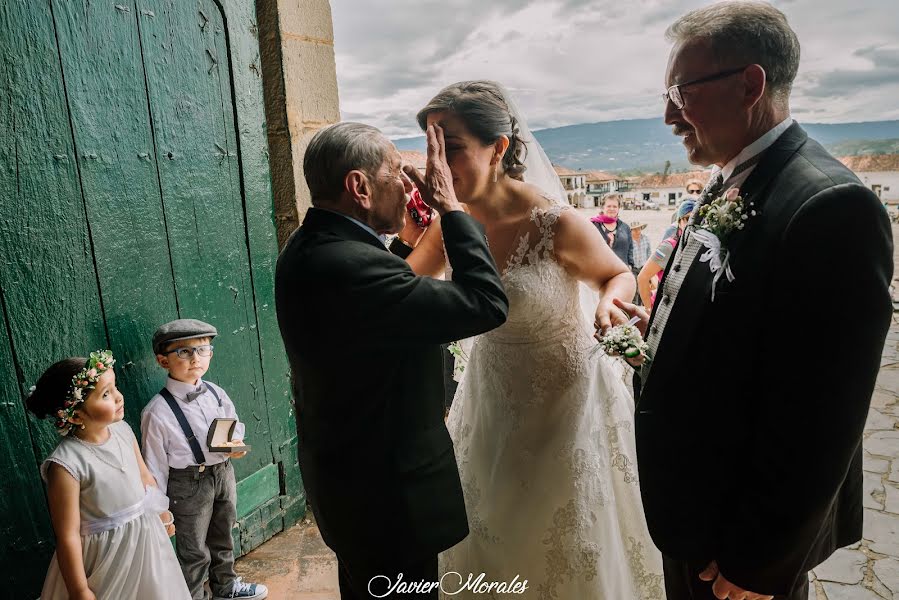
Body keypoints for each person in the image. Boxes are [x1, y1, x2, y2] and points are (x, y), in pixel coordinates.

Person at [622, 3, 894, 600]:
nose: (669, 115)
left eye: (681, 91)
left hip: (737, 540)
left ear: (750, 85)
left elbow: (823, 413)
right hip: (695, 509)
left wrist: (761, 557)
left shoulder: (829, 206)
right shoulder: (733, 175)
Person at [403, 80, 664, 599]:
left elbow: (617, 274)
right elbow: (403, 290)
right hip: (490, 398)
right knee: (489, 523)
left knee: (560, 534)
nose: (436, 162)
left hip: (563, 403)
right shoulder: (452, 222)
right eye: (429, 144)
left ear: (498, 148)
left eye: (449, 145)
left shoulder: (554, 222)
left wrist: (611, 301)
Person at [274, 121, 509, 599]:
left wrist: (406, 245)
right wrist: (452, 211)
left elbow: (376, 306)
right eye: (397, 173)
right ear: (359, 187)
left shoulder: (310, 245)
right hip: (388, 500)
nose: (409, 185)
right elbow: (486, 304)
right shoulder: (350, 267)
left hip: (351, 484)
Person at [27, 351, 190, 600]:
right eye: (105, 394)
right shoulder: (66, 465)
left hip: (146, 543)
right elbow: (68, 535)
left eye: (114, 387)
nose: (117, 397)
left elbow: (145, 478)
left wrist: (162, 512)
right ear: (76, 414)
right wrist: (79, 590)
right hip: (106, 559)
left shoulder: (123, 430)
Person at [141, 319, 267, 600]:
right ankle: (193, 595)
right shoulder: (157, 411)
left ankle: (226, 586)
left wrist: (235, 443)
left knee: (223, 535)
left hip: (223, 472)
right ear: (163, 361)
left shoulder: (215, 393)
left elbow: (234, 425)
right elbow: (155, 466)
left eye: (203, 349)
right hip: (188, 483)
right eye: (184, 352)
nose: (195, 358)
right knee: (194, 548)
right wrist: (160, 509)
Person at [637, 200, 694, 308]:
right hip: (664, 307)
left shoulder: (698, 247)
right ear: (679, 221)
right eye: (688, 218)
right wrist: (649, 309)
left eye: (697, 219)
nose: (692, 223)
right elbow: (643, 277)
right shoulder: (668, 247)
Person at [591, 193, 635, 269]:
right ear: (602, 207)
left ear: (618, 209)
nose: (612, 209)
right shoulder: (593, 226)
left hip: (621, 271)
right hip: (599, 272)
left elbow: (630, 248)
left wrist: (630, 264)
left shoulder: (625, 227)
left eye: (615, 206)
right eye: (609, 206)